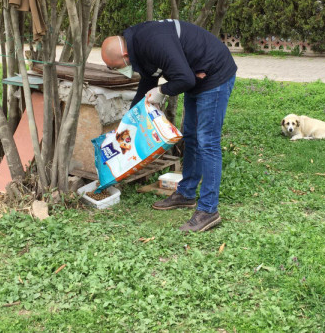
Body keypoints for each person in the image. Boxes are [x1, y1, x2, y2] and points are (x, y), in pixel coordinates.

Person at [101, 19, 237, 232]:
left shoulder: (152, 42)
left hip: (214, 74)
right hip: (196, 76)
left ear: (125, 56)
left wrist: (162, 91)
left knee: (207, 142)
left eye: (115, 67)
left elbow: (185, 79)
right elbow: (148, 81)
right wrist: (129, 121)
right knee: (191, 137)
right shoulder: (138, 46)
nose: (117, 70)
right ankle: (186, 194)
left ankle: (209, 210)